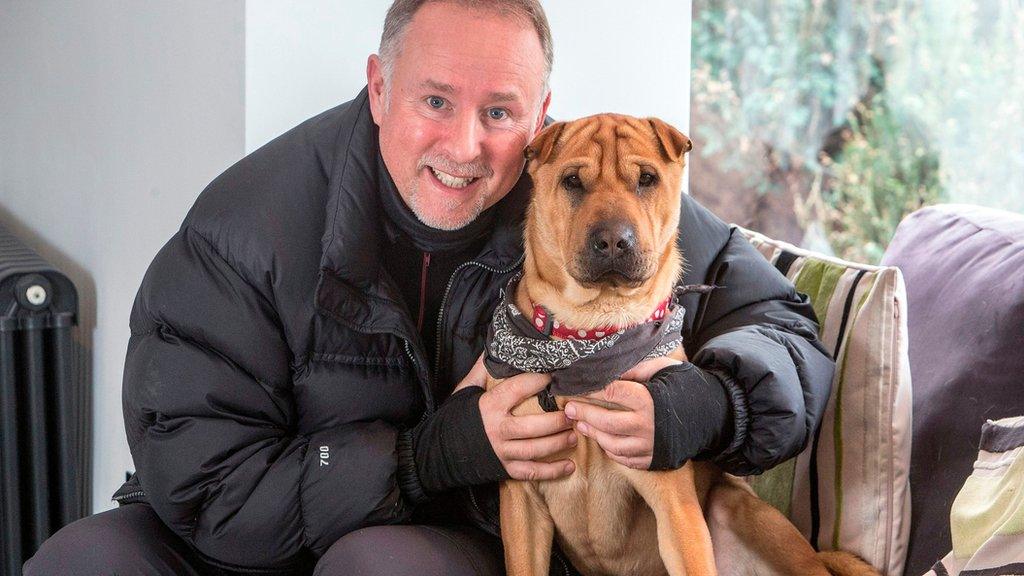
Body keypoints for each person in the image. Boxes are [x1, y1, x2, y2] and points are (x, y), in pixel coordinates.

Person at [24, 1, 835, 575]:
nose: (467, 145)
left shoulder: (579, 186)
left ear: (541, 116)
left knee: (381, 564)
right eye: (435, 100)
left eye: (501, 112)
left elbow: (780, 325)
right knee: (79, 560)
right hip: (244, 531)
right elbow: (204, 484)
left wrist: (707, 405)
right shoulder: (245, 228)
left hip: (432, 538)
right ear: (379, 87)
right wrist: (429, 453)